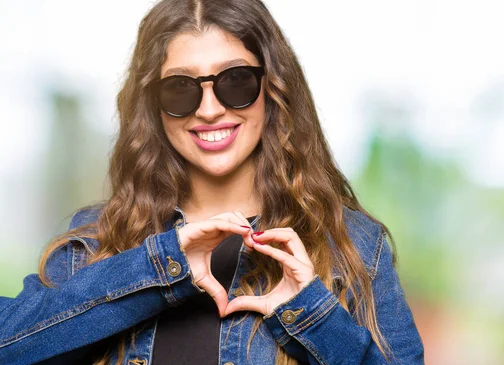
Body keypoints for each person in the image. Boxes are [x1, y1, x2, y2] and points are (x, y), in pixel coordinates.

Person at [0, 0, 424, 364]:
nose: (208, 109)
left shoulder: (354, 245)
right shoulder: (93, 243)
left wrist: (310, 312)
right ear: (153, 106)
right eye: (181, 88)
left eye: (235, 81)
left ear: (273, 88)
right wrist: (158, 267)